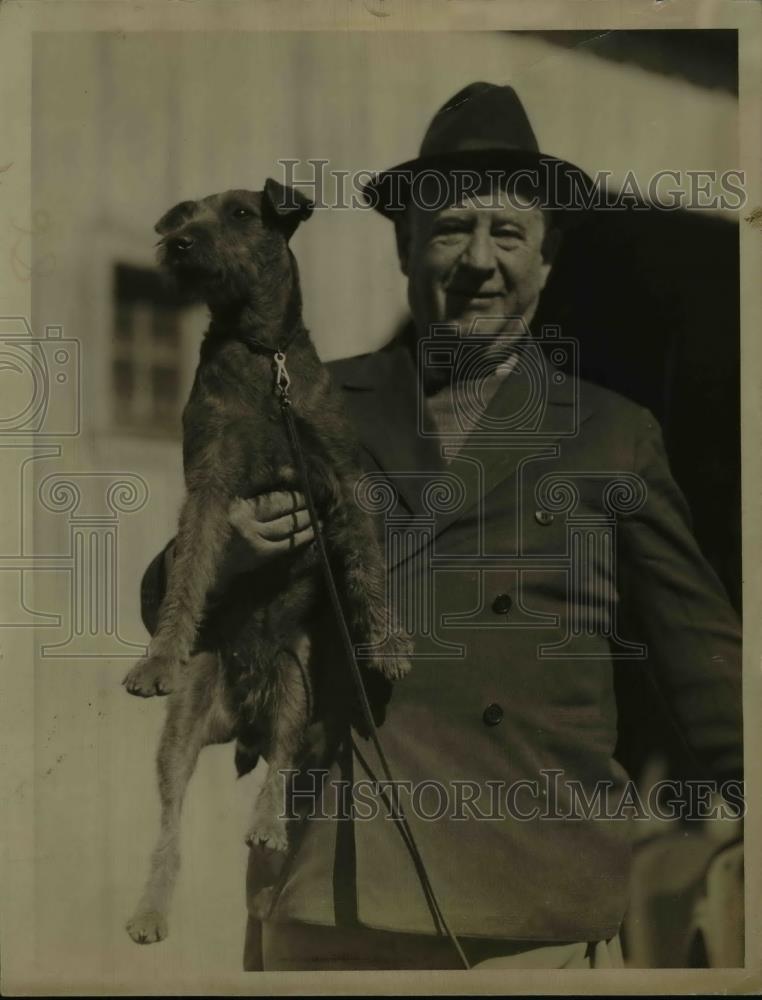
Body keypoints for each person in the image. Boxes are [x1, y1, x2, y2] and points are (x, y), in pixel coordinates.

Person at [139, 83, 742, 970]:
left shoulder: (615, 435)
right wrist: (228, 549)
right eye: (450, 230)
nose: (479, 262)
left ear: (547, 257)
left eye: (508, 233)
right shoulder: (306, 397)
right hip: (337, 897)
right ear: (404, 247)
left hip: (535, 905)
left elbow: (709, 674)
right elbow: (166, 597)